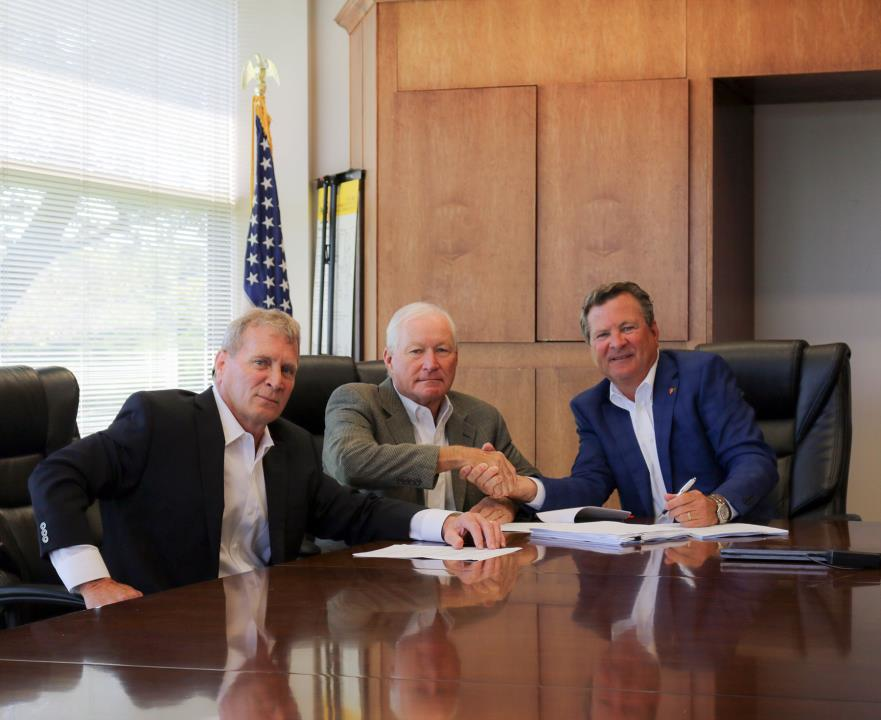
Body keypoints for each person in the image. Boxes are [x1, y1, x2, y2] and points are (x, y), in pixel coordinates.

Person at [29, 309, 503, 610]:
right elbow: (55, 475)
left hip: (269, 632)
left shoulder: (290, 444)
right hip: (170, 639)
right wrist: (92, 583)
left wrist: (444, 523)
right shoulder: (160, 421)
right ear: (221, 364)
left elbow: (356, 512)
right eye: (261, 363)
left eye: (288, 369)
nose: (277, 380)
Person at [462, 281, 777, 526]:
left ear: (654, 331)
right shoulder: (592, 407)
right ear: (591, 347)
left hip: (725, 548)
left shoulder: (701, 374)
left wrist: (717, 506)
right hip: (652, 553)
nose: (616, 343)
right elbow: (589, 487)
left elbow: (753, 459)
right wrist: (521, 487)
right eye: (602, 335)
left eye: (627, 328)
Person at [322, 302, 539, 523]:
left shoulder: (482, 416)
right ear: (389, 359)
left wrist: (506, 502)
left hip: (463, 544)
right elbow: (348, 463)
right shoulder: (357, 400)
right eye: (416, 351)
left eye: (442, 350)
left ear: (456, 357)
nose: (431, 364)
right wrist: (459, 456)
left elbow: (531, 483)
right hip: (376, 543)